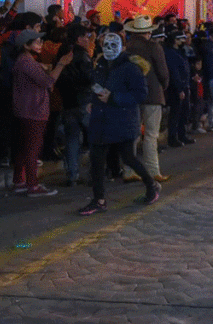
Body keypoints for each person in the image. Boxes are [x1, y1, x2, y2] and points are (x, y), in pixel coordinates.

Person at [78, 33, 161, 215]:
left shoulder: (130, 68)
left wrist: (114, 98)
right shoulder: (101, 64)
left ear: (122, 47)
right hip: (101, 119)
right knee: (97, 159)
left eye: (112, 45)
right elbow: (96, 84)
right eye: (105, 45)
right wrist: (94, 101)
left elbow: (140, 94)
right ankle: (99, 199)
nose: (108, 49)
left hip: (121, 119)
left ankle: (151, 185)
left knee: (128, 157)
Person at [11, 29, 72, 196]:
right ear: (26, 45)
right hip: (33, 109)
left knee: (24, 148)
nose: (41, 45)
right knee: (32, 149)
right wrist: (60, 64)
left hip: (25, 109)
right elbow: (47, 81)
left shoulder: (25, 61)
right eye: (37, 42)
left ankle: (20, 181)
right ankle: (32, 184)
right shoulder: (27, 62)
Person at [124, 15, 170, 183]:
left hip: (131, 96)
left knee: (133, 134)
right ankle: (153, 170)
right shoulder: (154, 47)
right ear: (149, 32)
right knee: (151, 135)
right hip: (152, 94)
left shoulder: (127, 48)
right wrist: (163, 85)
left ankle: (129, 171)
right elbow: (163, 72)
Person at [55, 24, 96, 186]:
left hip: (67, 102)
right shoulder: (82, 56)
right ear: (79, 39)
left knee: (72, 139)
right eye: (86, 37)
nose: (88, 40)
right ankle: (95, 173)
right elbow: (88, 78)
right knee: (94, 138)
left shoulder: (62, 53)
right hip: (84, 101)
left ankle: (72, 175)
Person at [163, 29, 192, 146]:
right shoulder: (171, 53)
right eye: (181, 39)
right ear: (175, 40)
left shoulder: (180, 52)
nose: (184, 41)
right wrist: (179, 88)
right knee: (176, 113)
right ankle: (173, 138)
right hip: (177, 87)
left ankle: (182, 135)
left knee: (183, 112)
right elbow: (174, 72)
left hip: (183, 84)